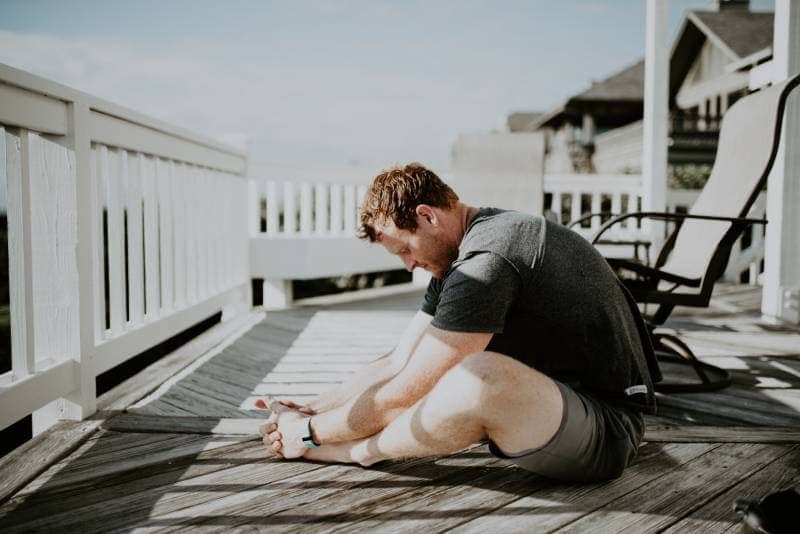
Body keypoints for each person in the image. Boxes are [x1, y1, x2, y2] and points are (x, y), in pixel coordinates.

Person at [257, 162, 659, 482]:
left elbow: (408, 389)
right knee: (430, 367)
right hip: (552, 409)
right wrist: (311, 409)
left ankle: (357, 453)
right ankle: (335, 442)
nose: (409, 264)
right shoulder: (461, 256)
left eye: (404, 249)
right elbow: (400, 361)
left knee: (477, 377)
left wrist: (311, 434)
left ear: (427, 216)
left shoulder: (488, 259)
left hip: (606, 431)